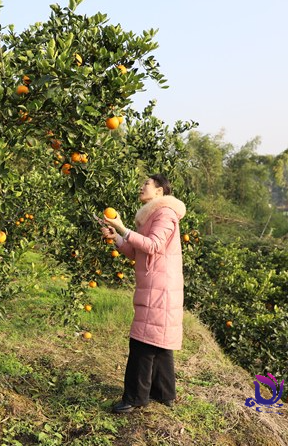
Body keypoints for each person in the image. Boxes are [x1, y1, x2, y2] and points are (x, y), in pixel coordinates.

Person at [101, 174, 186, 414]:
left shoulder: (166, 214)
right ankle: (164, 393)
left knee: (141, 342)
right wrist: (116, 237)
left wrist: (122, 227)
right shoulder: (152, 215)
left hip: (161, 287)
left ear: (159, 191)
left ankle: (135, 397)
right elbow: (138, 252)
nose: (141, 186)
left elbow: (154, 246)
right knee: (158, 340)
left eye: (146, 184)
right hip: (155, 284)